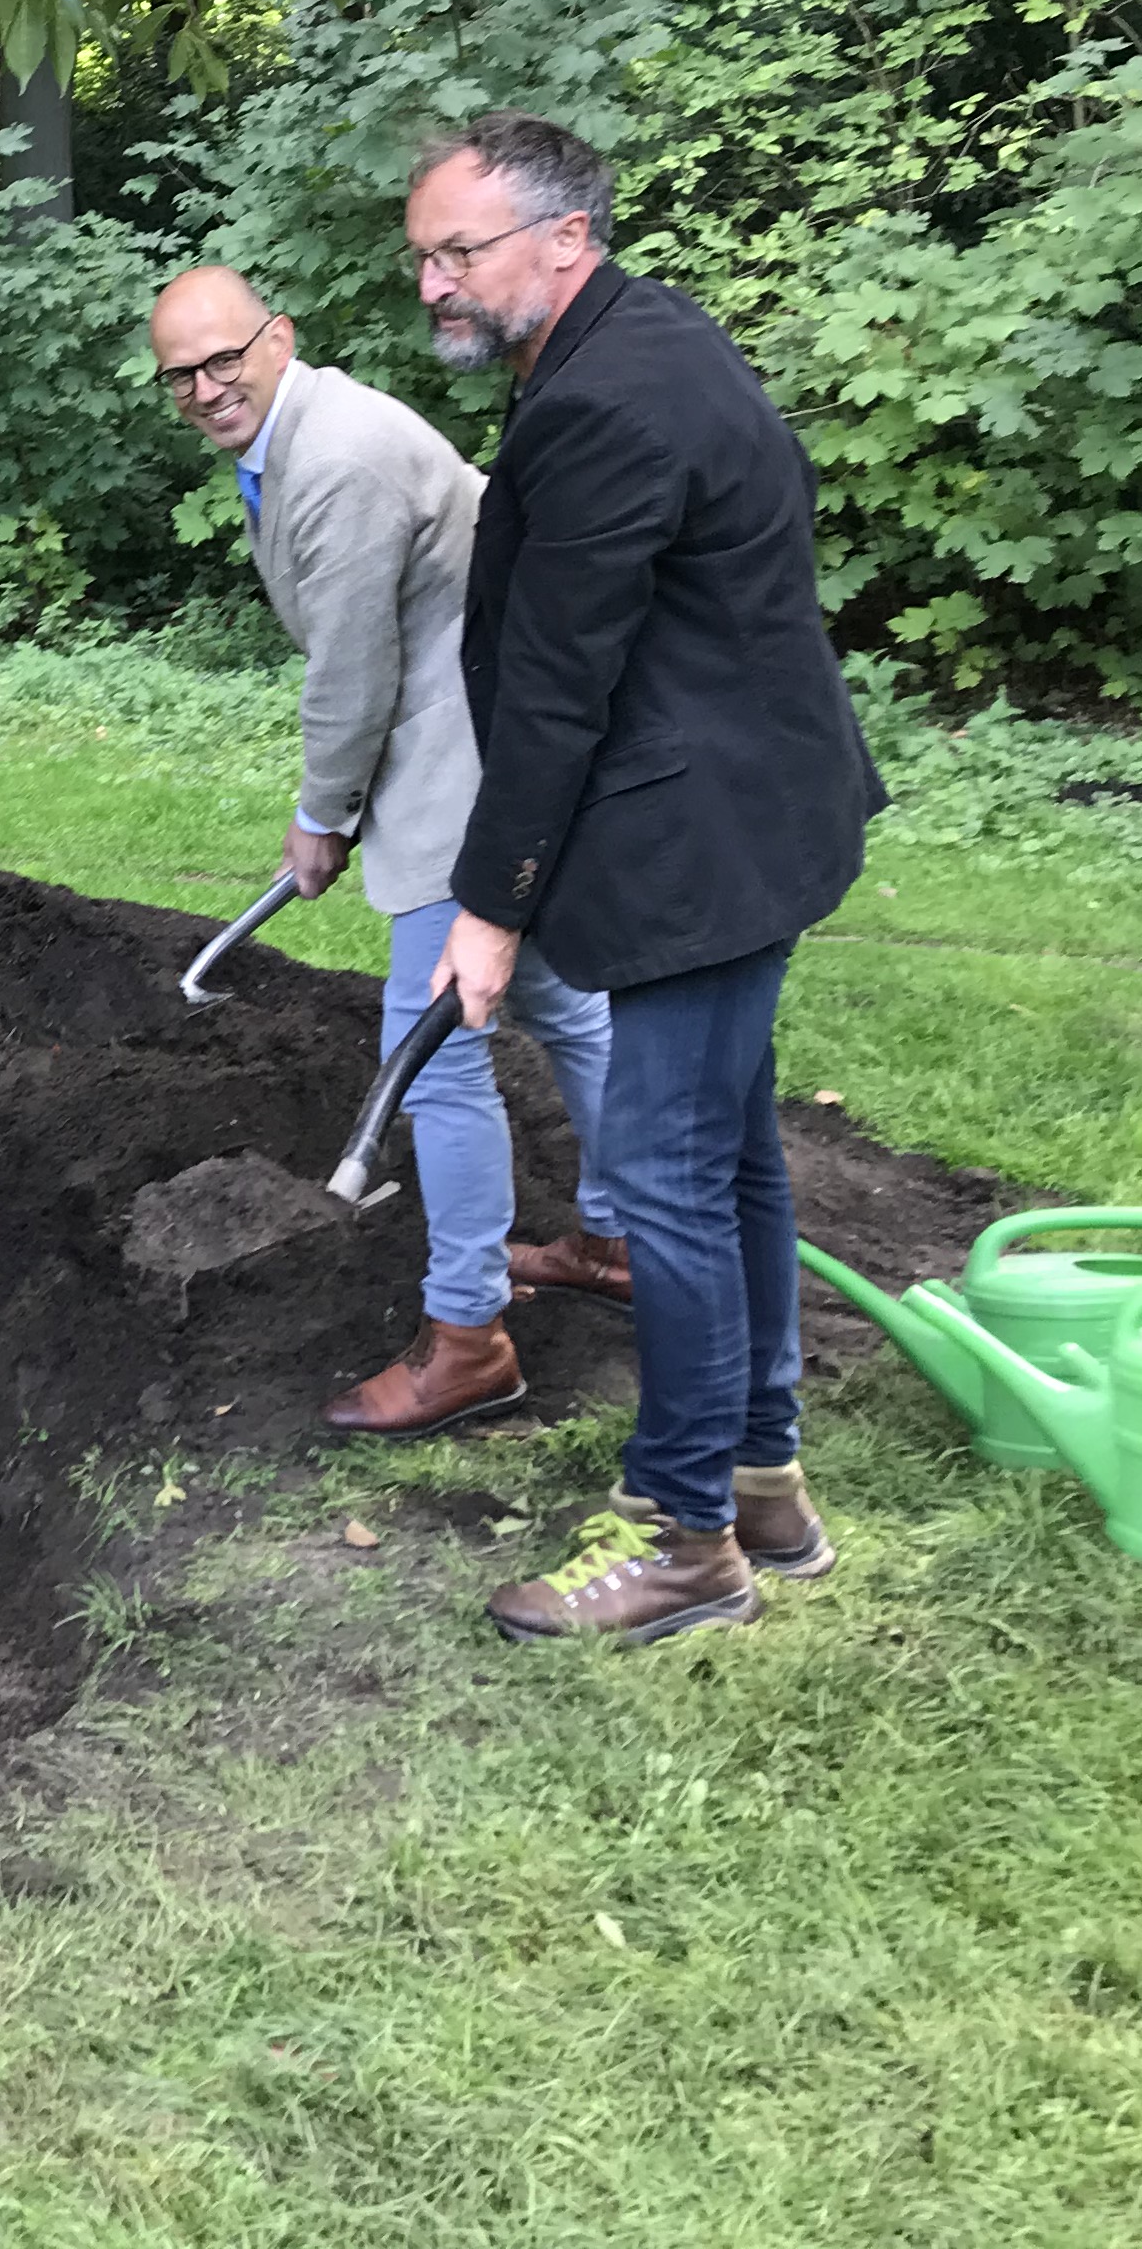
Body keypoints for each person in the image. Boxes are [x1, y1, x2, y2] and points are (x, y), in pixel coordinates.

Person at [406, 114, 884, 1643]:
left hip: (697, 844)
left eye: (459, 252)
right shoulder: (647, 341)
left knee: (673, 1186)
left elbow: (559, 688)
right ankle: (763, 1480)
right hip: (751, 816)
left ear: (566, 235)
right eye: (423, 256)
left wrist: (491, 909)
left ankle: (685, 1540)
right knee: (732, 1157)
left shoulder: (608, 400)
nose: (435, 284)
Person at [146, 267, 625, 1438]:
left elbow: (351, 672)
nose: (208, 389)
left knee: (441, 1047)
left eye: (226, 359)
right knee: (562, 999)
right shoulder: (296, 443)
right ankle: (623, 1239)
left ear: (281, 337)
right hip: (481, 729)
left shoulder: (341, 455)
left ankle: (468, 1336)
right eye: (182, 376)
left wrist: (324, 814)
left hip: (465, 751)